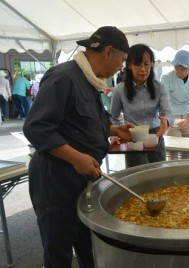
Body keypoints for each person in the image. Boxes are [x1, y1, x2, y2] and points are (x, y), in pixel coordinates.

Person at [23, 26, 132, 268]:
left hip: (83, 178)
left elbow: (84, 121)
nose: (121, 68)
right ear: (108, 51)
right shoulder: (64, 77)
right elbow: (36, 127)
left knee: (88, 243)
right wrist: (75, 157)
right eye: (122, 60)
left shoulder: (89, 80)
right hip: (56, 178)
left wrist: (114, 130)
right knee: (58, 250)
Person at [110, 44, 173, 168]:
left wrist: (166, 121)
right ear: (129, 65)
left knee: (159, 173)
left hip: (155, 135)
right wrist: (114, 133)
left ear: (151, 65)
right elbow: (113, 117)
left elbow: (168, 113)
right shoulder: (119, 90)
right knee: (136, 175)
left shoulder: (159, 87)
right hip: (132, 136)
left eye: (146, 64)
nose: (143, 69)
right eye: (138, 65)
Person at [161, 50, 189, 138]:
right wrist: (165, 118)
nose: (179, 72)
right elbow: (162, 100)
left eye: (183, 69)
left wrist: (188, 118)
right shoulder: (166, 77)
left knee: (187, 144)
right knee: (173, 144)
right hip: (171, 112)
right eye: (176, 68)